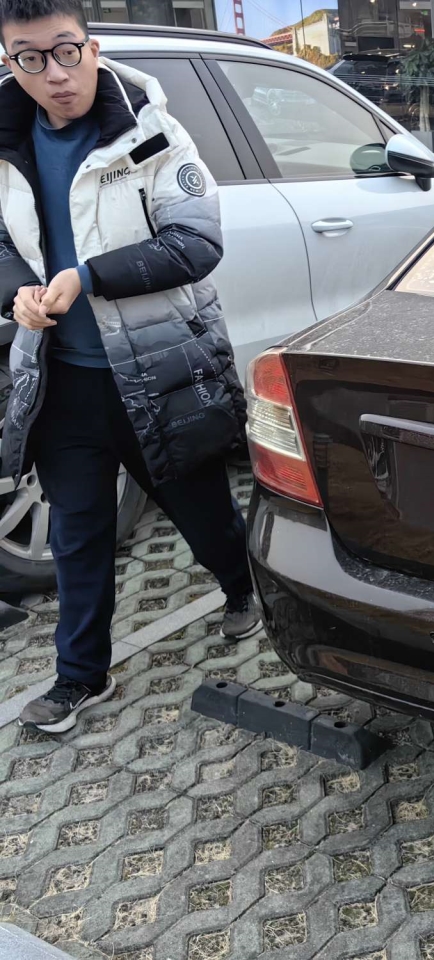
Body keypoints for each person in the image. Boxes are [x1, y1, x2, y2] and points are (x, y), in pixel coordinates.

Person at [0, 0, 259, 733]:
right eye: (29, 58)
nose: (54, 74)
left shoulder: (151, 132)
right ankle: (79, 676)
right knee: (78, 532)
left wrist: (87, 276)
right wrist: (17, 291)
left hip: (156, 371)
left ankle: (241, 587)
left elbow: (196, 243)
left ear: (92, 47)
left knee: (202, 511)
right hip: (61, 380)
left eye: (66, 51)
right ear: (10, 63)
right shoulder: (6, 145)